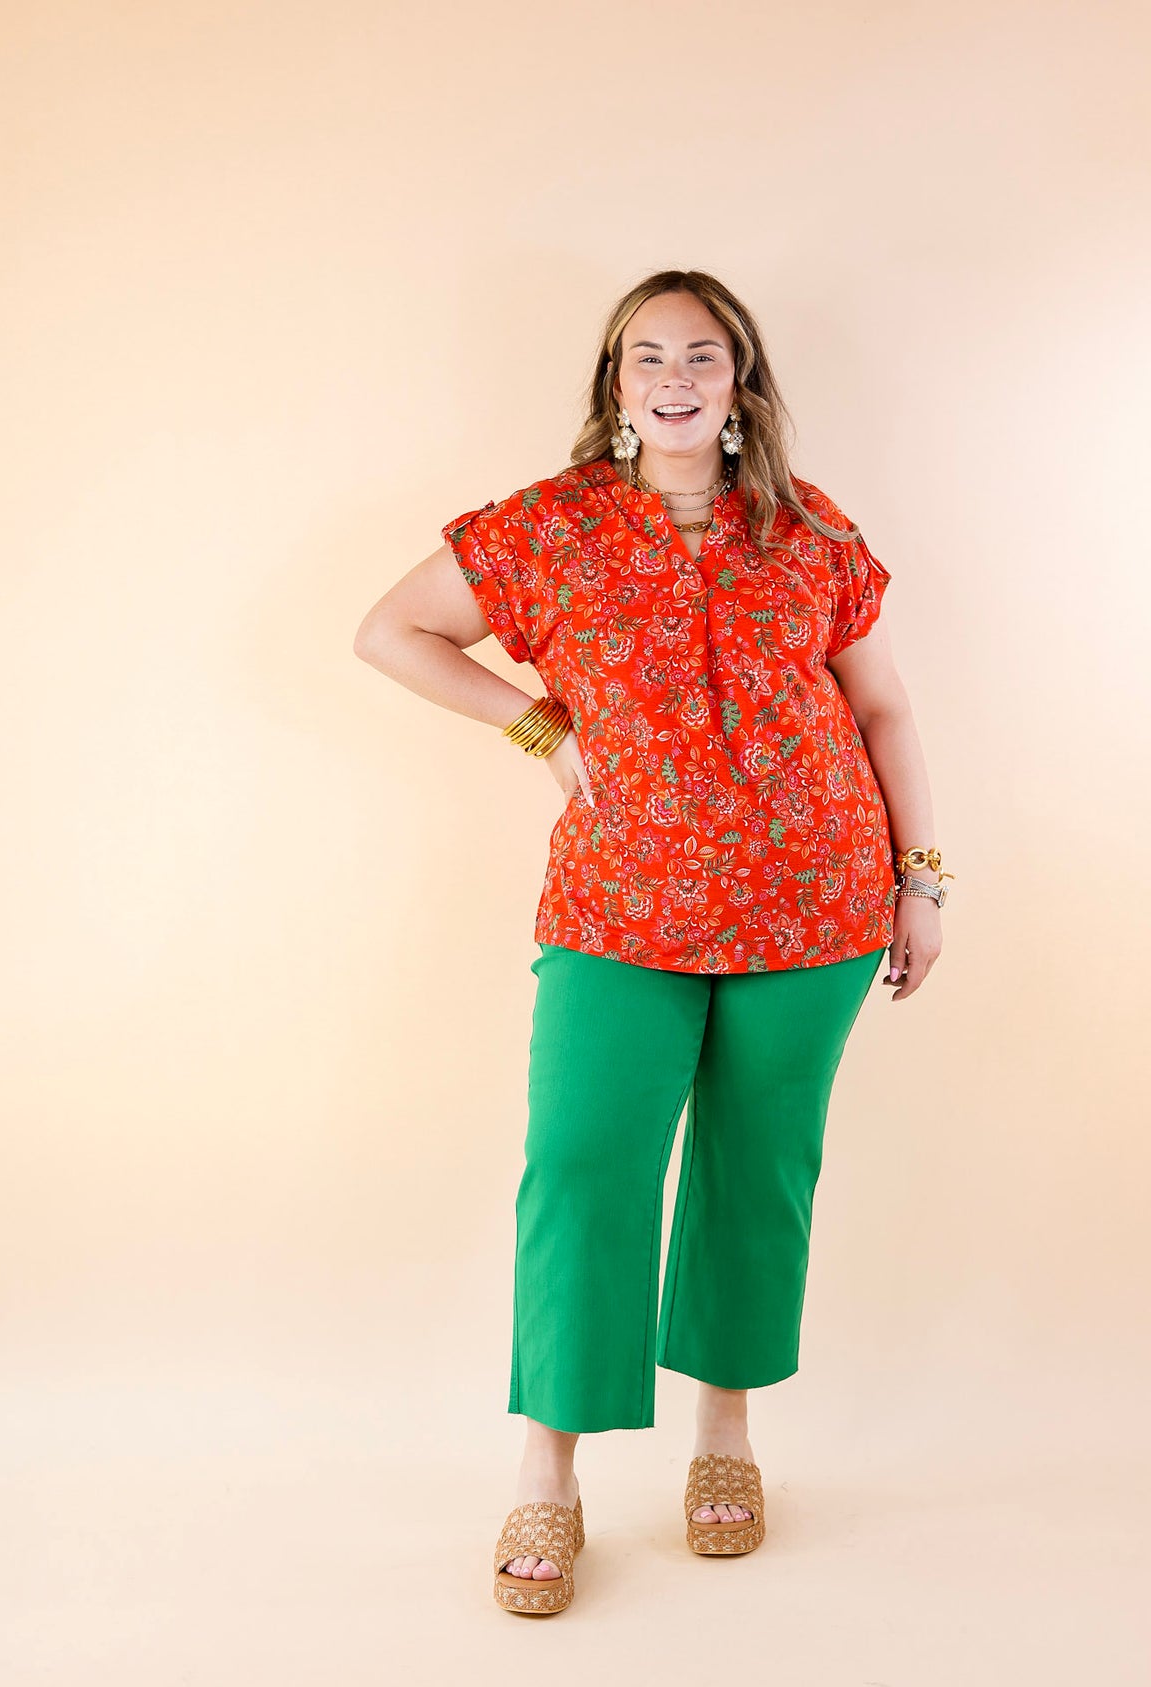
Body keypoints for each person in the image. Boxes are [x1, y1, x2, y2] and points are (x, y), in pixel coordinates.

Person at [354, 268, 949, 1616]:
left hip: (814, 903)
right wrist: (540, 728)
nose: (675, 378)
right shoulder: (550, 526)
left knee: (756, 1167)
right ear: (616, 386)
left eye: (702, 356)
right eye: (647, 358)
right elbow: (392, 631)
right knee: (581, 1163)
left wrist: (920, 880)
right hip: (621, 906)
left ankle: (724, 1436)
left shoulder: (811, 529)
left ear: (740, 383)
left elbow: (885, 712)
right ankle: (548, 1471)